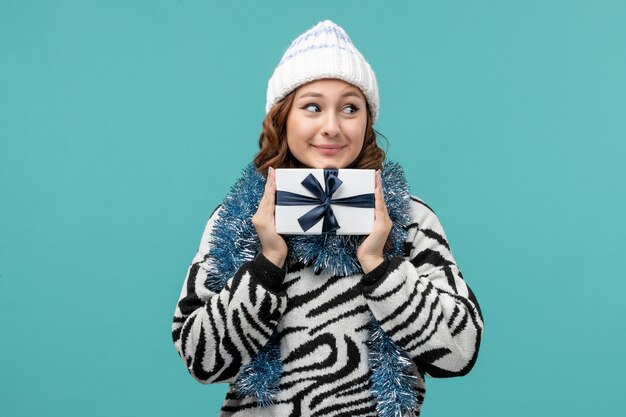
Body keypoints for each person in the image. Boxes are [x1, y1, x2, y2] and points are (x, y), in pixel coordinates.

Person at [172, 20, 483, 417]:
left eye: (350, 108)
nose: (332, 127)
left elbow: (459, 353)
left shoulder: (409, 217)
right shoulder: (239, 218)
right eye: (312, 107)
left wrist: (380, 264)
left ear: (367, 122)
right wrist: (267, 264)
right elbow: (201, 360)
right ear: (283, 118)